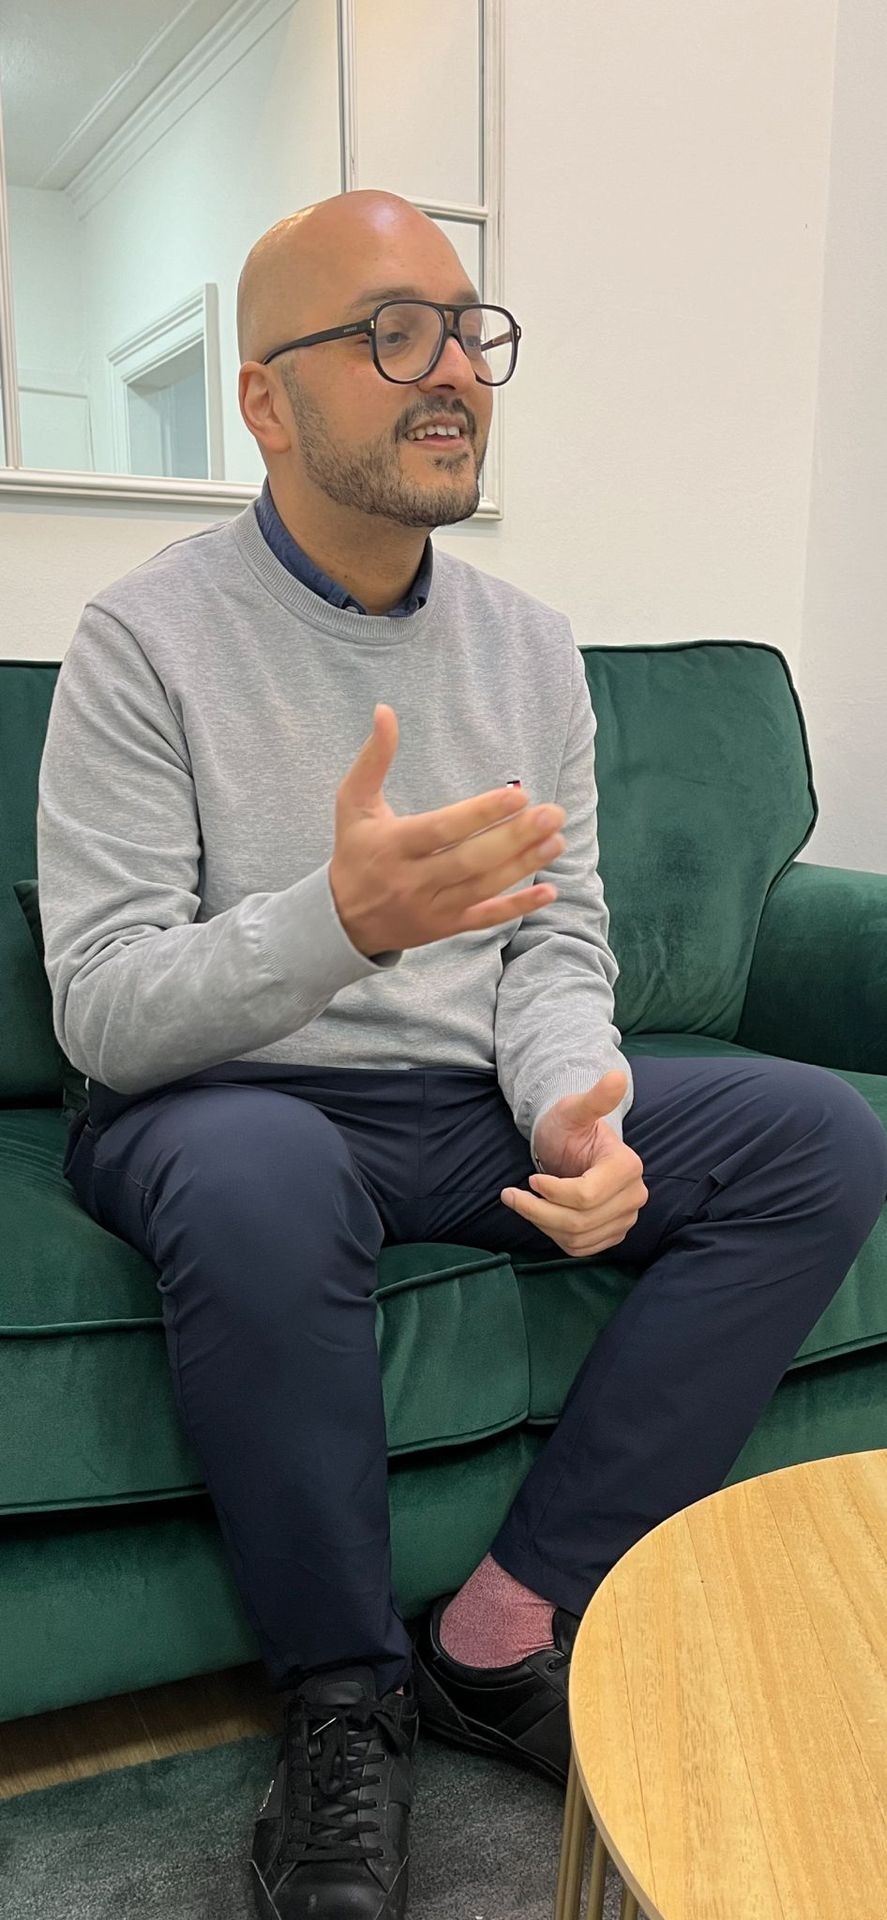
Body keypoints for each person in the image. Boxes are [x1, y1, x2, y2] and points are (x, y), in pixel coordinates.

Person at [38, 190, 887, 1920]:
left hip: (450, 1102)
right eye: (388, 332)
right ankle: (340, 1704)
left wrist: (577, 1102)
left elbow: (554, 946)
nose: (448, 372)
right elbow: (105, 1006)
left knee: (818, 1137)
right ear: (265, 402)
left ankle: (499, 1633)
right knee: (264, 1175)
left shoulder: (529, 646)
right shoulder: (143, 640)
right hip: (221, 1103)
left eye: (464, 326)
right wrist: (331, 925)